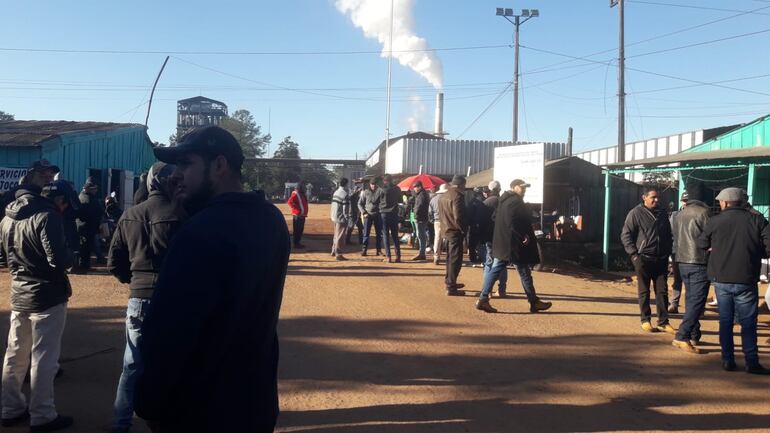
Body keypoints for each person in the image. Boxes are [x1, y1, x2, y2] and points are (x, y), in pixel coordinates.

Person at [135, 126, 290, 431]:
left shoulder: (200, 233)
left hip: (199, 411)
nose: (174, 175)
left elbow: (169, 334)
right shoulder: (271, 219)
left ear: (219, 166)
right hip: (253, 404)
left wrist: (149, 403)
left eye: (186, 164)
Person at [107, 162, 185, 433]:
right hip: (172, 299)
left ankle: (121, 423)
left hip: (138, 298)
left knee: (131, 365)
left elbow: (114, 263)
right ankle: (166, 420)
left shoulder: (130, 214)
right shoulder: (182, 214)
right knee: (172, 363)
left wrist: (135, 281)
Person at [0, 178, 74, 432]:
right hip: (47, 294)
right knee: (44, 357)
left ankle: (10, 408)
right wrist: (70, 256)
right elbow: (59, 260)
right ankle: (42, 414)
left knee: (16, 353)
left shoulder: (7, 217)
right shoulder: (48, 216)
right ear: (60, 201)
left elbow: (2, 257)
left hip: (19, 292)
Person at [697, 187, 770, 374]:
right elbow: (769, 246)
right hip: (746, 278)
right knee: (748, 323)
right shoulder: (757, 220)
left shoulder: (715, 221)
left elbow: (702, 243)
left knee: (726, 321)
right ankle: (751, 361)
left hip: (721, 278)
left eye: (720, 202)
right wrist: (755, 253)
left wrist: (716, 248)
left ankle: (728, 359)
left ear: (726, 203)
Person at [475, 179, 552, 313]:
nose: (524, 190)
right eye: (522, 187)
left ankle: (533, 301)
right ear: (514, 187)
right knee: (515, 271)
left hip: (504, 243)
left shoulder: (503, 201)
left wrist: (501, 232)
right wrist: (523, 235)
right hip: (513, 245)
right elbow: (513, 222)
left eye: (525, 188)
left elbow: (494, 218)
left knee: (520, 272)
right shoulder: (515, 201)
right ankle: (483, 298)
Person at [621, 186, 675, 334]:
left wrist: (668, 252)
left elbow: (668, 235)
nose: (656, 200)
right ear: (644, 198)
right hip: (643, 258)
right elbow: (626, 235)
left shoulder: (662, 213)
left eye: (658, 198)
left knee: (662, 291)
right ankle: (645, 320)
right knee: (644, 291)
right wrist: (634, 255)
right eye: (653, 197)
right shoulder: (635, 213)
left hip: (661, 258)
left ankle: (663, 322)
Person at [670, 192, 710, 355]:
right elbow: (710, 235)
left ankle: (694, 334)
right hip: (699, 260)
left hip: (682, 260)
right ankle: (682, 335)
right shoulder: (704, 212)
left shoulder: (679, 214)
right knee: (697, 301)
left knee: (692, 299)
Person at [439, 175, 467, 296]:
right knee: (456, 259)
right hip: (455, 231)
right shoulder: (458, 197)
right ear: (461, 185)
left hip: (446, 230)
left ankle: (450, 281)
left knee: (450, 258)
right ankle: (451, 286)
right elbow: (458, 217)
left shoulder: (443, 195)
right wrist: (463, 229)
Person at [479, 181, 507, 297]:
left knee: (489, 263)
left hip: (489, 237)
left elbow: (480, 222)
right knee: (501, 263)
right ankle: (502, 290)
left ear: (489, 190)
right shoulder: (505, 202)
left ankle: (487, 290)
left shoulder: (486, 203)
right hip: (503, 237)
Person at [75, 178, 104, 272]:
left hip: (90, 227)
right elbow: (88, 214)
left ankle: (86, 265)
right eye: (93, 189)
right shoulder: (84, 198)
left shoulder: (90, 197)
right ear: (88, 188)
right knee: (84, 248)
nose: (95, 190)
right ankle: (83, 266)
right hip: (85, 227)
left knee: (88, 248)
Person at [668, 193, 688, 314]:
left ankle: (693, 307)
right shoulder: (675, 215)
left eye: (688, 201)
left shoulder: (698, 214)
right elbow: (670, 233)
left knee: (691, 281)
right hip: (677, 251)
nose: (686, 203)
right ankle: (674, 303)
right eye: (684, 200)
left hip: (692, 252)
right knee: (677, 278)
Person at [380, 174, 402, 263]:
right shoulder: (397, 189)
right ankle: (398, 256)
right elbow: (400, 200)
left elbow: (378, 200)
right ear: (391, 180)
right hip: (394, 214)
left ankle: (388, 257)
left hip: (384, 214)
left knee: (385, 235)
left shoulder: (382, 189)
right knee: (395, 235)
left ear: (385, 181)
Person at [358, 179, 383, 256]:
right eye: (372, 184)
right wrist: (364, 212)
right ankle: (364, 249)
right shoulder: (365, 192)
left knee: (379, 233)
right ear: (370, 184)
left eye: (375, 184)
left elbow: (383, 202)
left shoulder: (381, 192)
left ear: (377, 184)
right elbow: (359, 204)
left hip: (378, 215)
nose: (373, 185)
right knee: (366, 233)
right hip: (367, 215)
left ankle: (378, 250)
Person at [330, 178, 351, 261]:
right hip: (341, 218)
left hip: (334, 216)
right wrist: (346, 218)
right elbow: (345, 208)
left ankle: (333, 251)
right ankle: (338, 254)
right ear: (346, 184)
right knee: (340, 236)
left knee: (336, 235)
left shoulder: (336, 192)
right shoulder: (345, 194)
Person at [411, 181, 430, 261]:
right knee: (421, 235)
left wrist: (416, 215)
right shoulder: (422, 194)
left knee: (420, 236)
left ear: (419, 187)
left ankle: (422, 253)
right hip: (422, 217)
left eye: (415, 187)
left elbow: (419, 206)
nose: (414, 189)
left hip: (420, 218)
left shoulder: (422, 195)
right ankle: (422, 252)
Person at [287, 181, 308, 249]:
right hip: (298, 215)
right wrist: (296, 209)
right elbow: (289, 202)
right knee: (297, 230)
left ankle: (298, 243)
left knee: (300, 230)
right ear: (300, 187)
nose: (304, 188)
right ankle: (296, 244)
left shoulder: (301, 194)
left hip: (302, 215)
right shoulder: (296, 194)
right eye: (303, 187)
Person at [430, 184, 447, 265]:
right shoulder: (448, 198)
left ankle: (436, 256)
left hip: (437, 221)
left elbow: (430, 212)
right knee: (447, 238)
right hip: (447, 221)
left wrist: (432, 220)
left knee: (437, 238)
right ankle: (449, 256)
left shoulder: (433, 199)